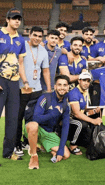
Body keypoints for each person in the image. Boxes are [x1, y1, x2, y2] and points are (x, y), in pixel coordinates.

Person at [15, 26, 51, 156]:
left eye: (39, 36)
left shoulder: (43, 51)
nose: (37, 38)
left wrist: (48, 88)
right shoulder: (22, 46)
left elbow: (45, 70)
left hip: (37, 90)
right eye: (34, 35)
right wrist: (24, 81)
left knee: (32, 118)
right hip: (22, 88)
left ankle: (27, 142)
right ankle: (16, 144)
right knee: (18, 118)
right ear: (29, 34)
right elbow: (18, 64)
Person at [25, 75, 71, 169]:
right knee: (34, 125)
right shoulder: (45, 98)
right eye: (59, 85)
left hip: (48, 133)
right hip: (34, 129)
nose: (62, 87)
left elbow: (66, 128)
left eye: (65, 85)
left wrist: (61, 150)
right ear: (55, 86)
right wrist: (53, 113)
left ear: (68, 87)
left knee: (66, 155)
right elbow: (35, 118)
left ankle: (39, 145)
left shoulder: (66, 105)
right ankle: (34, 156)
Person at [0, 7, 26, 160]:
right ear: (7, 20)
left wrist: (25, 81)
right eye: (14, 18)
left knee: (12, 119)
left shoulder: (20, 39)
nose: (17, 21)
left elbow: (20, 63)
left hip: (14, 83)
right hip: (1, 80)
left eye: (19, 18)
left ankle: (8, 153)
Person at [67, 72, 102, 153]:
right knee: (82, 124)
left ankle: (81, 141)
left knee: (90, 143)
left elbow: (82, 107)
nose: (86, 83)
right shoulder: (74, 93)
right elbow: (76, 113)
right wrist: (93, 121)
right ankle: (72, 145)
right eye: (84, 80)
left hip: (77, 118)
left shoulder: (85, 91)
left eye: (88, 81)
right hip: (67, 120)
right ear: (79, 81)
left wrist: (93, 110)